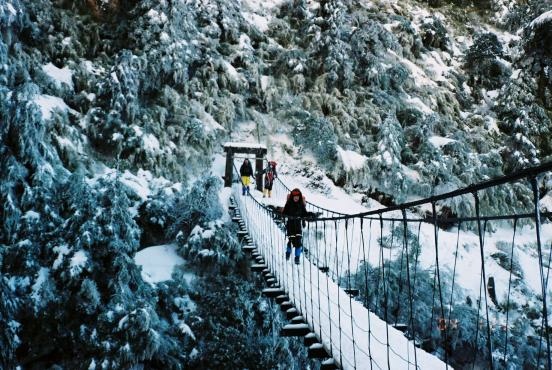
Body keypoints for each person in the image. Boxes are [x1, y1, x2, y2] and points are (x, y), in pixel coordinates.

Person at [282, 188, 308, 264]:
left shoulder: (301, 205)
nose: (296, 198)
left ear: (299, 197)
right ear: (292, 197)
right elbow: (284, 213)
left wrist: (311, 215)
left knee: (298, 242)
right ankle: (288, 253)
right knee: (291, 241)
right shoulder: (289, 204)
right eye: (294, 196)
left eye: (297, 196)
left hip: (298, 226)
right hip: (290, 226)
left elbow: (304, 214)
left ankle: (297, 258)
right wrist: (284, 216)